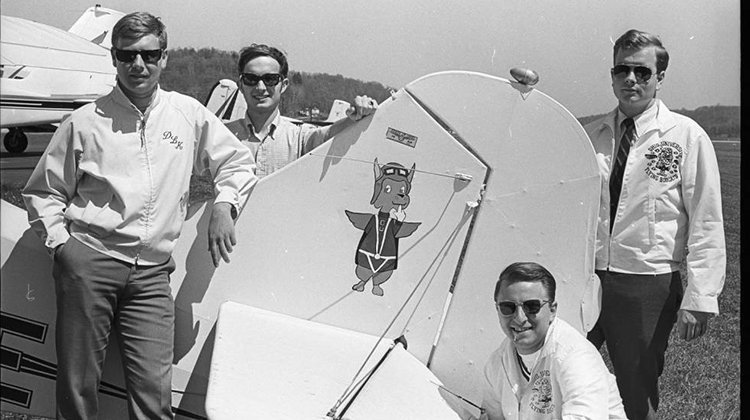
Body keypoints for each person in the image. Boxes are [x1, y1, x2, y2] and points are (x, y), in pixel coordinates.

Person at [22, 12, 257, 419]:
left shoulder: (188, 114)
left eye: (149, 55)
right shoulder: (85, 121)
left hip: (151, 276)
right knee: (77, 388)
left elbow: (237, 163)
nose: (138, 65)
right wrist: (63, 247)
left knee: (153, 394)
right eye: (126, 55)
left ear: (164, 57)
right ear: (114, 59)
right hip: (89, 263)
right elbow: (44, 191)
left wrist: (224, 203)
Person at [584, 29, 726, 420]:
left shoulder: (686, 137)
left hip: (646, 282)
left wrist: (701, 298)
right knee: (565, 372)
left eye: (642, 72)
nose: (631, 80)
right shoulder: (592, 137)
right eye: (622, 70)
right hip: (586, 277)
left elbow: (706, 220)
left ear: (659, 77)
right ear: (612, 75)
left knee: (636, 387)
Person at [479, 262, 626, 419]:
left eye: (532, 306)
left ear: (552, 310)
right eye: (508, 307)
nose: (519, 318)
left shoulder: (576, 356)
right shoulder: (497, 363)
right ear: (497, 310)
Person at [225, 43, 379, 178]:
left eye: (270, 79)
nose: (260, 87)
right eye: (251, 79)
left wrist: (359, 114)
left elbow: (328, 134)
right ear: (240, 85)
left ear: (284, 85)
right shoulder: (220, 136)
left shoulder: (301, 137)